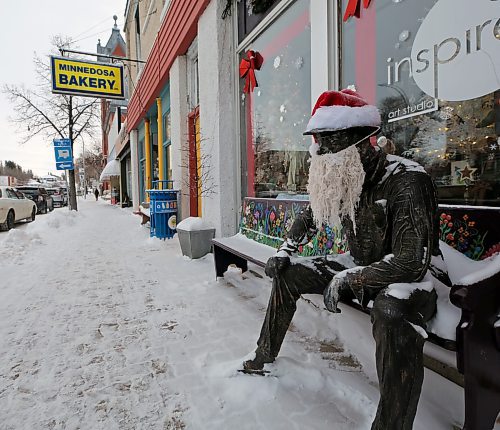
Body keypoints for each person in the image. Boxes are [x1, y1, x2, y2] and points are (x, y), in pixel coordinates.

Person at [242, 89, 451, 430]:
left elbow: (413, 261)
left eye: (328, 142)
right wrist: (285, 249)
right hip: (358, 266)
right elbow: (310, 215)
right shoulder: (346, 176)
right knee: (288, 273)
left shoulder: (407, 180)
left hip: (413, 280)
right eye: (318, 143)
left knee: (391, 310)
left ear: (363, 141)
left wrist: (348, 279)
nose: (319, 151)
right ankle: (262, 356)